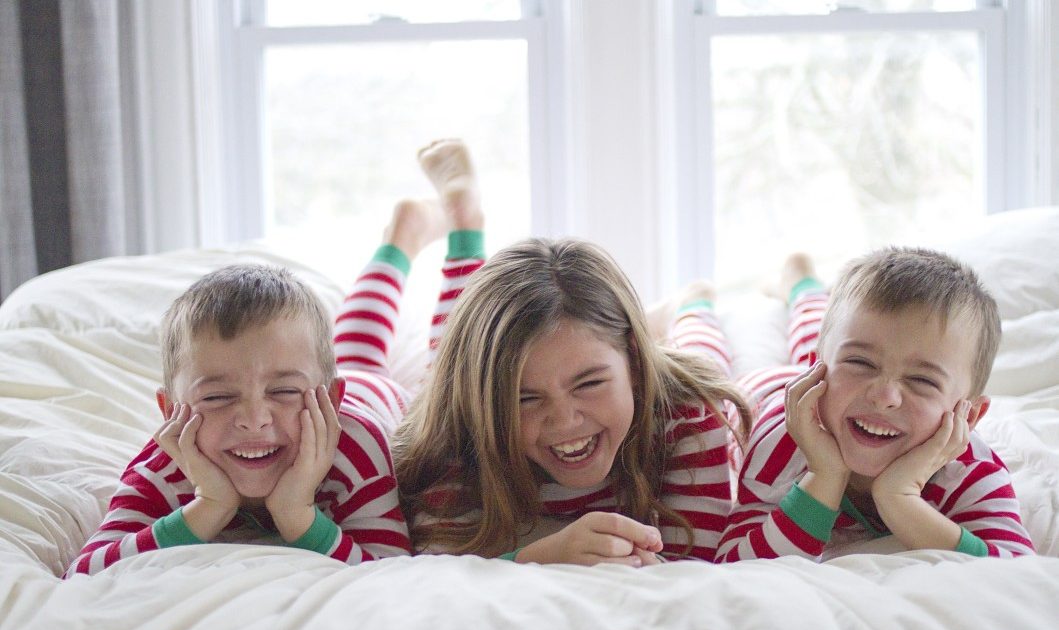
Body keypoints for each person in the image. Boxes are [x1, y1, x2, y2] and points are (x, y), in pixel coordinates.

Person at [65, 150, 485, 576]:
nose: (253, 419)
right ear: (170, 411)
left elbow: (388, 568)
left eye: (283, 391)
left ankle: (461, 228)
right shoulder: (166, 464)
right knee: (356, 347)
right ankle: (403, 235)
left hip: (374, 399)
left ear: (331, 400)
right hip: (338, 381)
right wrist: (208, 507)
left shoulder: (355, 451)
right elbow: (85, 572)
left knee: (454, 366)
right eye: (218, 396)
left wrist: (297, 514)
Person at [392, 140, 752, 566]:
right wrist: (539, 557)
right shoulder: (456, 433)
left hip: (664, 371)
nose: (564, 420)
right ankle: (464, 226)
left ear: (634, 362)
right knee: (451, 352)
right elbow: (439, 567)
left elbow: (692, 565)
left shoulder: (688, 416)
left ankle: (692, 302)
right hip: (474, 385)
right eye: (525, 397)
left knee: (702, 348)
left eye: (590, 383)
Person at [715, 249, 1036, 562]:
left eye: (922, 381)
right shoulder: (780, 447)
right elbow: (735, 565)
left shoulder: (968, 472)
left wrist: (899, 499)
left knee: (834, 342)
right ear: (813, 374)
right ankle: (697, 305)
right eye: (860, 362)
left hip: (838, 392)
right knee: (707, 365)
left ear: (971, 415)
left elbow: (1016, 571)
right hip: (763, 391)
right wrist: (824, 476)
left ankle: (803, 285)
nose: (884, 397)